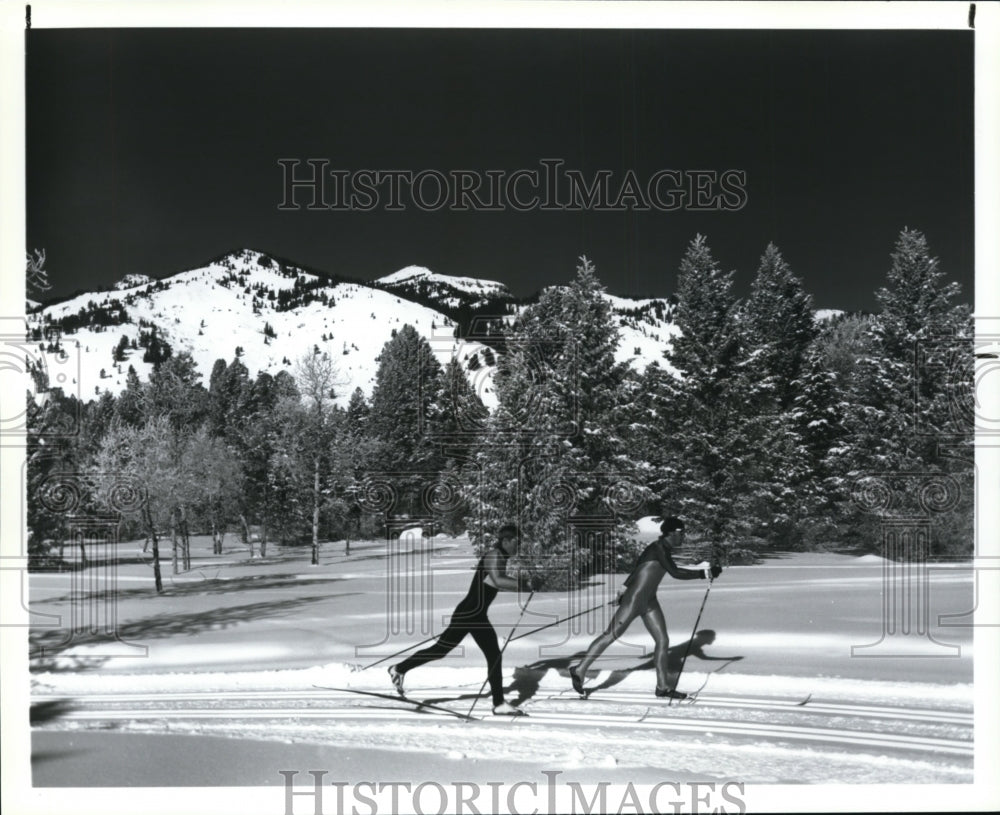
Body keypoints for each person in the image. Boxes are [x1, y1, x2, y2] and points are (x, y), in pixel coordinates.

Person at [569, 517, 721, 699]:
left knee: (663, 641)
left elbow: (637, 570)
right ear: (672, 533)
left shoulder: (663, 548)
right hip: (634, 601)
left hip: (649, 601)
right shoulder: (658, 548)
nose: (684, 537)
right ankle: (579, 669)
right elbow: (675, 572)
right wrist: (706, 573)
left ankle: (663, 687)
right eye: (682, 533)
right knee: (610, 635)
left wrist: (623, 589)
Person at [389, 524, 528, 716]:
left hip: (475, 614)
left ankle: (399, 669)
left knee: (457, 652)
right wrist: (525, 584)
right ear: (506, 541)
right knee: (443, 651)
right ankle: (398, 669)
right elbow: (498, 581)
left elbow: (497, 581)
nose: (518, 546)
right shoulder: (494, 555)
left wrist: (525, 584)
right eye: (516, 542)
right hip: (469, 614)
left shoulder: (501, 557)